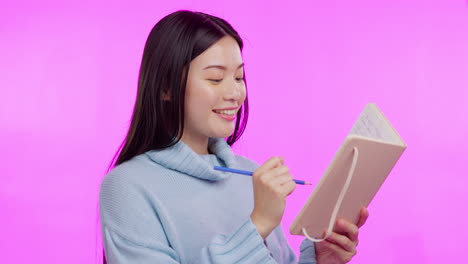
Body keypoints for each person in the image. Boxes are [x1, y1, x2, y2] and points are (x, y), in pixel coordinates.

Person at [99, 10, 369, 264]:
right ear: (166, 88)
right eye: (216, 79)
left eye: (239, 77)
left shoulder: (250, 175)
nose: (235, 93)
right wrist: (257, 224)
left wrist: (319, 258)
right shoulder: (127, 187)